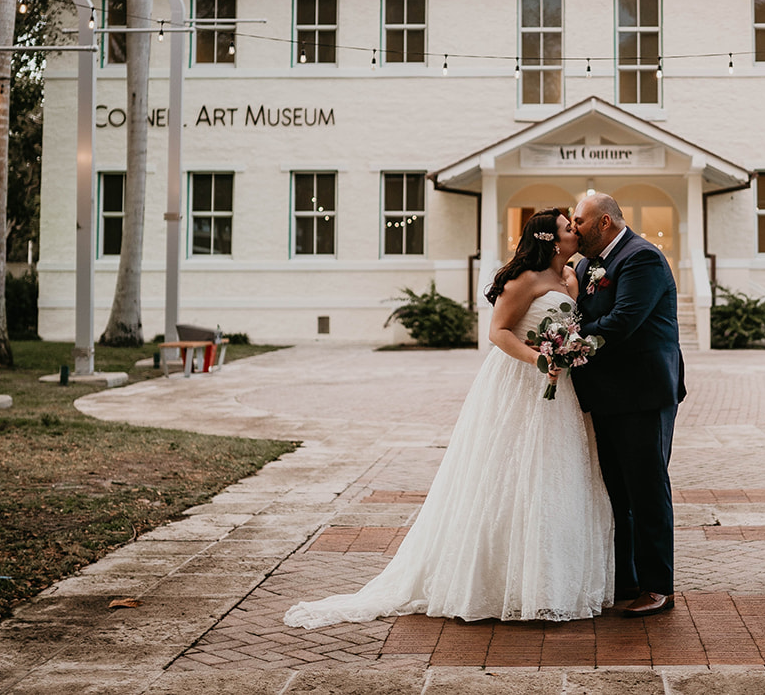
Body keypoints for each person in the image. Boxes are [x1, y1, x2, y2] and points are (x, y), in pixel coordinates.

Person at [283, 208, 613, 629]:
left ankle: (550, 582)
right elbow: (498, 332)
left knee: (557, 475)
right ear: (549, 239)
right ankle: (495, 581)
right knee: (508, 475)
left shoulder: (570, 278)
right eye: (569, 229)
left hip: (560, 387)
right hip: (521, 381)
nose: (575, 234)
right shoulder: (524, 280)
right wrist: (539, 358)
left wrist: (567, 351)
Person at [569, 192, 685, 618]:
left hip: (642, 392)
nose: (573, 227)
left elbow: (623, 320)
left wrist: (568, 340)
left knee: (647, 490)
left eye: (578, 220)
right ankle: (628, 579)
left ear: (603, 222)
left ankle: (658, 587)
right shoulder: (585, 265)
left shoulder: (642, 258)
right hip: (605, 393)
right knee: (617, 492)